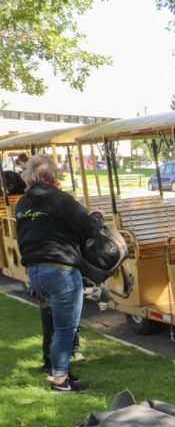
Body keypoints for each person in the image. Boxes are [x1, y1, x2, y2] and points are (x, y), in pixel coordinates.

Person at [15, 154, 103, 393]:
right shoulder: (60, 199)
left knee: (55, 326)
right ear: (53, 173)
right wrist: (97, 215)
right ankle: (60, 382)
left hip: (35, 272)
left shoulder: (23, 203)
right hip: (61, 271)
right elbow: (88, 228)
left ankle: (58, 372)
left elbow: (21, 238)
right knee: (65, 330)